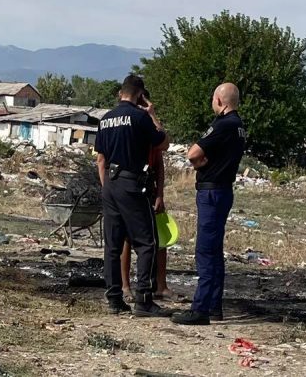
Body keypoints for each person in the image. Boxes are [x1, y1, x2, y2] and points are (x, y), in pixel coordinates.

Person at [95, 74, 171, 317]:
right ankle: (144, 300)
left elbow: (100, 159)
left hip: (110, 183)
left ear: (120, 93)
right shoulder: (140, 117)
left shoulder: (105, 119)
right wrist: (151, 113)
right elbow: (163, 144)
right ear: (140, 95)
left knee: (113, 245)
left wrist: (107, 187)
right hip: (131, 183)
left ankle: (115, 298)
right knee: (147, 242)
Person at [172, 82, 246, 325]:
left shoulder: (223, 125)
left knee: (205, 250)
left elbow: (193, 153)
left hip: (211, 193)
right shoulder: (239, 127)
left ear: (219, 101)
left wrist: (199, 163)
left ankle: (200, 309)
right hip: (223, 190)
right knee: (215, 252)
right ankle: (214, 305)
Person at [120, 90, 173, 301]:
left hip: (149, 185)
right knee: (126, 237)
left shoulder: (149, 126)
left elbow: (161, 153)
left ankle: (161, 285)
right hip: (130, 184)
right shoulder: (130, 126)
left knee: (159, 237)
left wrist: (160, 194)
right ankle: (125, 286)